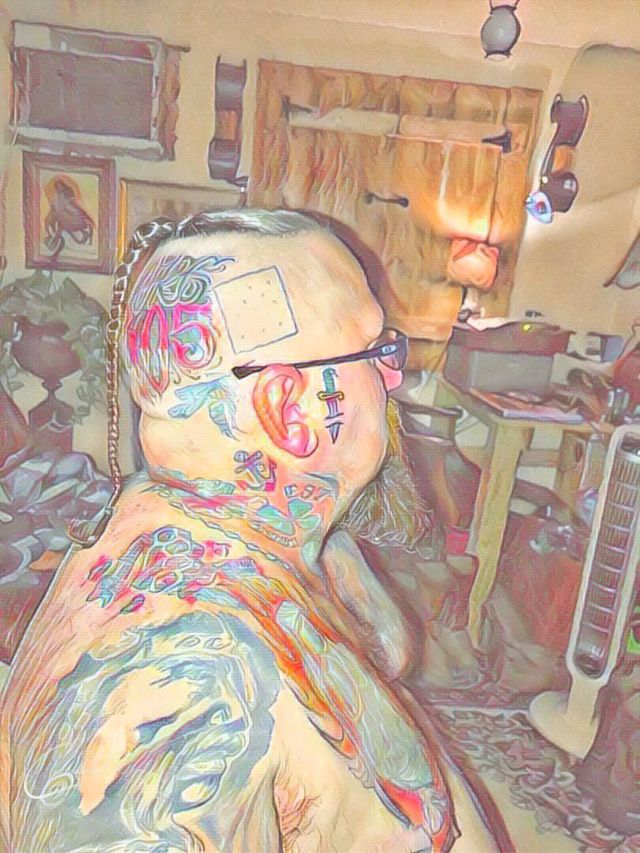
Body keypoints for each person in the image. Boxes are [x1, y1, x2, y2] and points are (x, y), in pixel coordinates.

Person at [1, 210, 495, 852]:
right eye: (378, 352)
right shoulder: (183, 689)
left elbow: (382, 651)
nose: (392, 378)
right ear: (289, 410)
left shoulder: (252, 525)